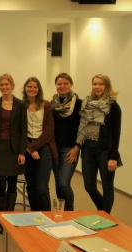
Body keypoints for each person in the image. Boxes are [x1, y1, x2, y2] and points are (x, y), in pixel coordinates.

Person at [76, 74, 122, 214]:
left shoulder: (113, 106)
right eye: (94, 84)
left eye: (100, 84)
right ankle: (103, 211)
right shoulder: (86, 103)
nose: (97, 87)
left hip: (105, 151)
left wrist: (113, 156)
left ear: (106, 86)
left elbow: (116, 132)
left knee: (107, 187)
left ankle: (105, 215)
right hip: (88, 149)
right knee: (89, 186)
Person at [0, 74, 27, 234]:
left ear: (12, 85)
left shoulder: (20, 104)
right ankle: (1, 218)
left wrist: (22, 152)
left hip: (14, 149)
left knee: (12, 183)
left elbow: (23, 129)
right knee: (1, 183)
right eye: (1, 85)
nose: (4, 87)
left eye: (6, 84)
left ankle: (10, 218)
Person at [22, 77, 58, 212]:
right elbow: (19, 130)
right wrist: (29, 148)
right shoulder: (21, 105)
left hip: (43, 147)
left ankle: (46, 217)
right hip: (26, 146)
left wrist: (33, 148)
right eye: (29, 86)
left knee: (42, 187)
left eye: (35, 87)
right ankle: (35, 214)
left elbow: (49, 132)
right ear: (25, 88)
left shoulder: (46, 105)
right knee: (30, 185)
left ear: (39, 89)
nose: (32, 89)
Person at [51, 73, 82, 211]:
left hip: (70, 149)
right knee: (58, 183)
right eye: (59, 84)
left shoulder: (79, 104)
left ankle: (70, 212)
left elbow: (83, 128)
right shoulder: (52, 104)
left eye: (65, 83)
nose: (62, 86)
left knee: (64, 183)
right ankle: (60, 212)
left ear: (71, 85)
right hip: (54, 149)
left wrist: (77, 147)